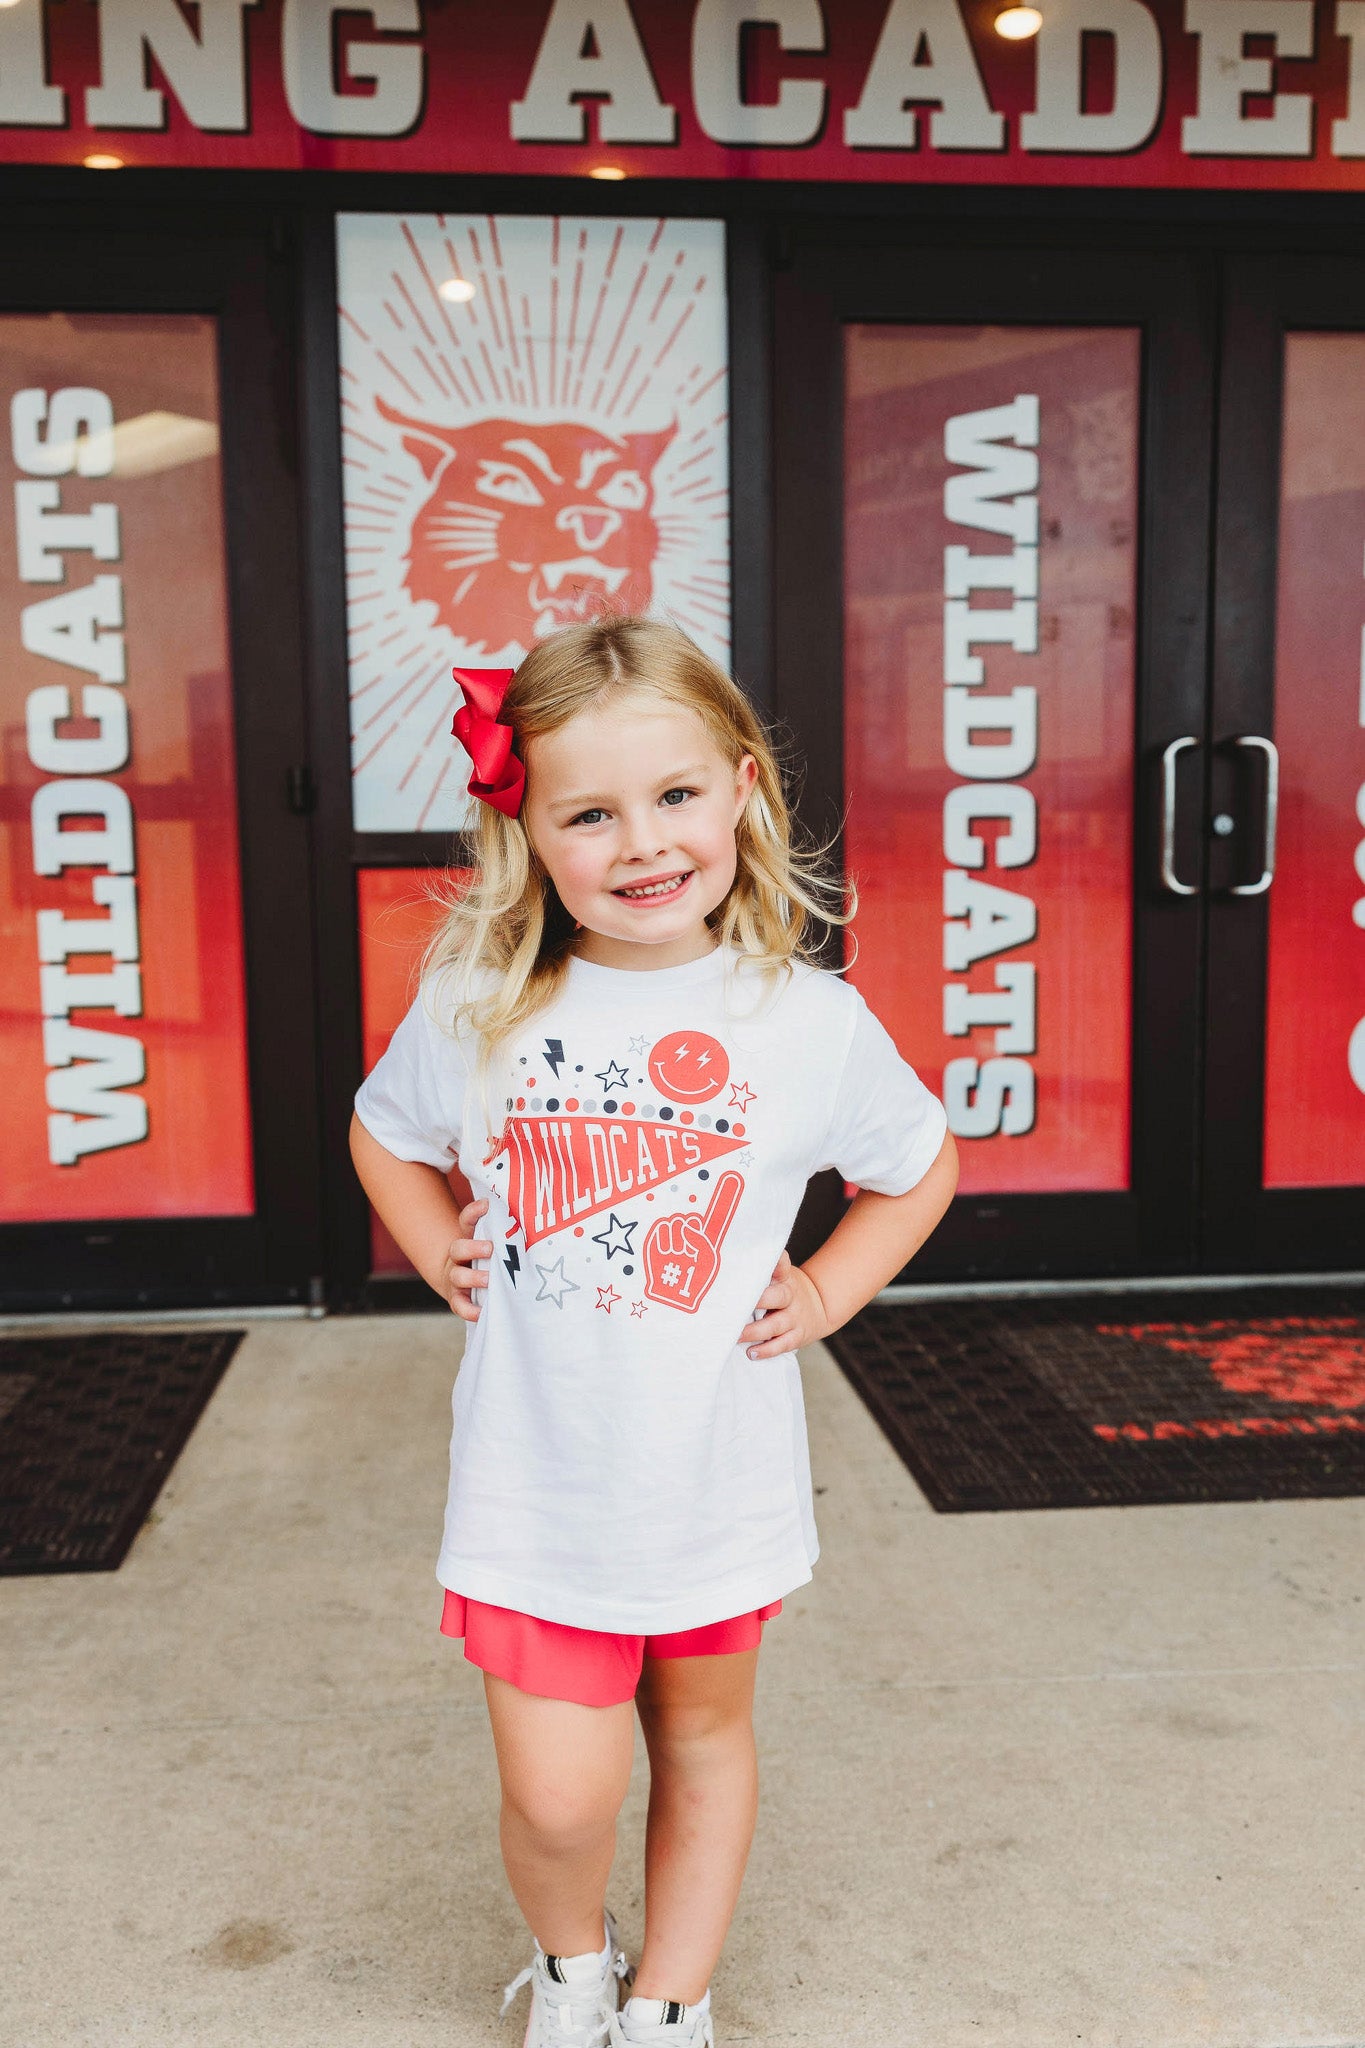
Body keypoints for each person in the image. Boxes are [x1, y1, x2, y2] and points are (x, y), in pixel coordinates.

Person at [350, 616, 958, 2048]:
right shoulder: (483, 1003)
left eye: (674, 795)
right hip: (536, 1483)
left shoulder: (803, 1017)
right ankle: (572, 1965)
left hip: (710, 1473)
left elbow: (916, 1164)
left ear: (742, 789)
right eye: (590, 812)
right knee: (559, 1794)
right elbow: (384, 1131)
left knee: (699, 1741)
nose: (642, 842)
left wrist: (826, 1288)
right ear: (531, 830)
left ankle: (670, 2000)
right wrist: (427, 1227)